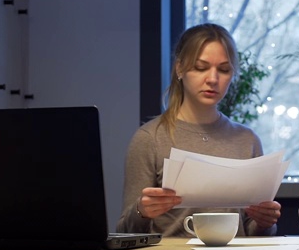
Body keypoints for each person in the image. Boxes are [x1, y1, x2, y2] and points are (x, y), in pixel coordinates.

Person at [117, 23, 281, 237]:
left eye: (223, 70)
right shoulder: (150, 139)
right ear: (180, 69)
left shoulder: (247, 140)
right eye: (201, 67)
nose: (213, 79)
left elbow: (252, 231)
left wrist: (264, 222)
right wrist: (142, 211)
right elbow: (124, 231)